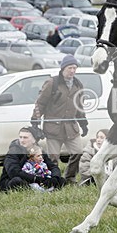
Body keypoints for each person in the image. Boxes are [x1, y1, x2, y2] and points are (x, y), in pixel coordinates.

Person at [31, 54, 88, 184]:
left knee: (78, 152)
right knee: (53, 157)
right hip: (53, 128)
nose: (72, 71)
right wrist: (35, 121)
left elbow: (79, 107)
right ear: (63, 68)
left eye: (74, 68)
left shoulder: (78, 85)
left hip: (71, 128)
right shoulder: (52, 83)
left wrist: (83, 123)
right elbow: (40, 103)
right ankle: (54, 180)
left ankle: (70, 178)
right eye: (69, 68)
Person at [0, 127, 64, 192]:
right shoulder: (13, 152)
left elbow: (53, 166)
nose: (22, 140)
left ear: (34, 140)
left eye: (25, 137)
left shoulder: (38, 150)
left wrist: (54, 178)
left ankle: (44, 189)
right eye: (20, 137)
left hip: (38, 177)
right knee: (17, 181)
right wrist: (38, 179)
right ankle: (40, 190)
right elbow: (14, 173)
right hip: (15, 180)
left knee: (61, 180)